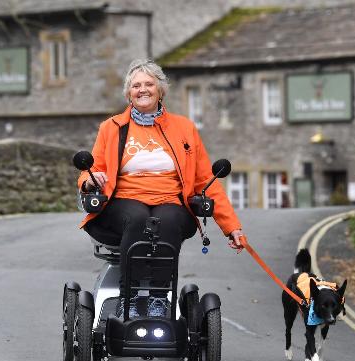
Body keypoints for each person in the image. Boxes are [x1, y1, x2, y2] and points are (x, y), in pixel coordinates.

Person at [77, 59, 244, 316]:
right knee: (138, 218)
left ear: (160, 90)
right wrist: (90, 181)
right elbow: (90, 171)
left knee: (166, 220)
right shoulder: (111, 128)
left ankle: (158, 298)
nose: (142, 89)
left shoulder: (184, 128)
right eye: (136, 85)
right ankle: (129, 299)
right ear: (128, 93)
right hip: (123, 200)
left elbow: (203, 180)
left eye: (148, 84)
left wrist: (231, 227)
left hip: (171, 201)